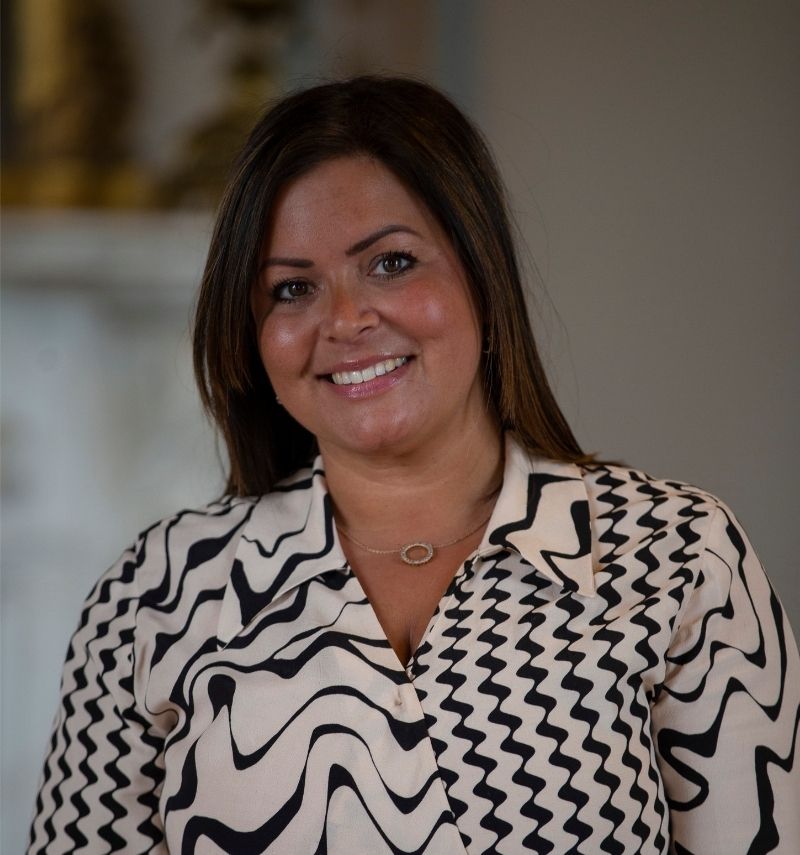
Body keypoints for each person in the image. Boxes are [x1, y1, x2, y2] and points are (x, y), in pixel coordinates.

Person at [29, 76, 799, 854]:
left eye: (391, 263)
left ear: (481, 269)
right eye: (292, 288)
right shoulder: (154, 595)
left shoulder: (676, 552)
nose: (346, 319)